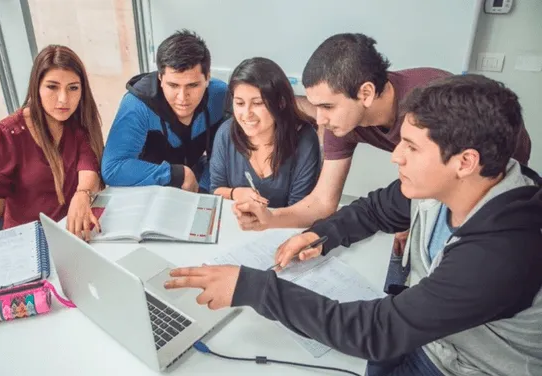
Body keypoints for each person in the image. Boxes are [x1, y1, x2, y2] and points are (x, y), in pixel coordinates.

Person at [164, 75, 542, 376]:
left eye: (411, 147)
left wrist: (253, 287)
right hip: (430, 336)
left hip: (461, 365)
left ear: (465, 161)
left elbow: (378, 331)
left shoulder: (502, 254)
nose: (396, 155)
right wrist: (321, 234)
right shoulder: (449, 184)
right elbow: (375, 209)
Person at [234, 33, 532, 255]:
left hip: (496, 161)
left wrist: (422, 219)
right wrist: (271, 218)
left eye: (327, 107)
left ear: (365, 93)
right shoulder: (343, 120)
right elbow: (324, 202)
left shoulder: (427, 106)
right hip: (443, 177)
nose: (320, 120)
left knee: (457, 251)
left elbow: (459, 177)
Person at [0, 45, 104, 258]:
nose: (63, 99)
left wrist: (82, 195)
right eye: (52, 87)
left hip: (71, 237)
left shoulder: (77, 124)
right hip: (27, 245)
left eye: (73, 88)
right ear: (36, 87)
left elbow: (88, 169)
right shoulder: (6, 135)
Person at [101, 30, 228, 193]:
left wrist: (204, 190)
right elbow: (112, 168)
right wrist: (176, 174)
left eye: (193, 85)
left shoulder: (220, 95)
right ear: (160, 78)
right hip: (146, 187)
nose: (183, 97)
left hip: (196, 181)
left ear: (208, 77)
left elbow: (222, 157)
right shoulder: (137, 104)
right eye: (173, 85)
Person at [209, 57, 321, 208]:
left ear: (280, 103)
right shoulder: (226, 133)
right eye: (240, 103)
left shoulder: (304, 140)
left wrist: (265, 219)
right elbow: (216, 190)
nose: (246, 113)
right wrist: (235, 193)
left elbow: (300, 209)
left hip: (285, 227)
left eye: (257, 103)